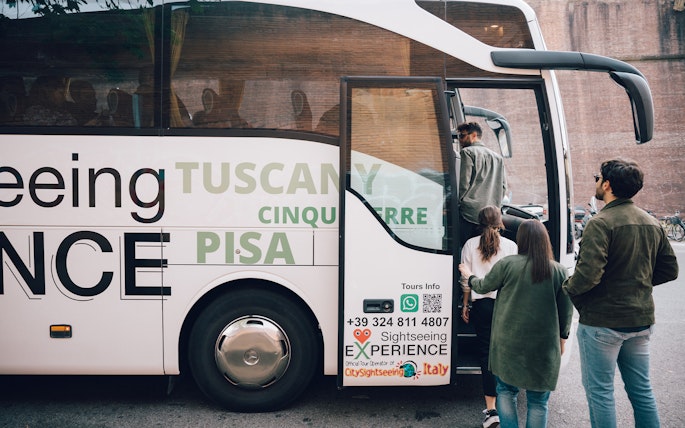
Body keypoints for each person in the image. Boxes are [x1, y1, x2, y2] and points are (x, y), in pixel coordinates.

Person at [562, 158, 678, 428]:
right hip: (641, 320)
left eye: (598, 178)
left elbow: (587, 276)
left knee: (601, 392)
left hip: (604, 322)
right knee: (642, 391)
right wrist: (638, 283)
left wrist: (568, 289)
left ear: (608, 184)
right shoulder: (652, 222)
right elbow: (670, 270)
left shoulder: (600, 223)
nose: (596, 182)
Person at [459, 219, 573, 428]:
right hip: (543, 346)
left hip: (507, 343)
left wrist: (470, 276)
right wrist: (562, 339)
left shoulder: (508, 264)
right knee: (538, 402)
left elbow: (484, 286)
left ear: (521, 240)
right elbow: (566, 312)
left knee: (506, 392)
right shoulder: (558, 271)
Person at [460, 205, 518, 428]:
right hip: (506, 305)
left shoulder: (469, 245)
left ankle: (491, 412)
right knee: (504, 354)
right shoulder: (511, 246)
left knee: (486, 356)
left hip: (481, 307)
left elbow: (466, 280)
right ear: (500, 222)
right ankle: (507, 406)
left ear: (479, 222)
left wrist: (465, 304)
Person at [458, 122, 507, 246]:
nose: (460, 140)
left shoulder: (467, 152)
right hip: (492, 214)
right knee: (487, 247)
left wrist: (460, 202)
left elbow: (464, 184)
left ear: (474, 135)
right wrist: (496, 205)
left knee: (467, 248)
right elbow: (503, 186)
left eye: (462, 136)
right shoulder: (498, 157)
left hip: (470, 213)